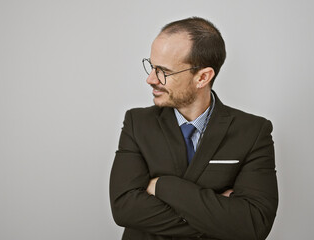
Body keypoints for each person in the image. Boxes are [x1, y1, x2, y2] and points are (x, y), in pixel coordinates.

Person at [109, 17, 278, 240]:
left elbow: (254, 224)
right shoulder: (137, 123)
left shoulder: (253, 132)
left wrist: (162, 185)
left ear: (202, 77)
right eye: (151, 66)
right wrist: (219, 219)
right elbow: (125, 208)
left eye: (163, 71)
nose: (150, 79)